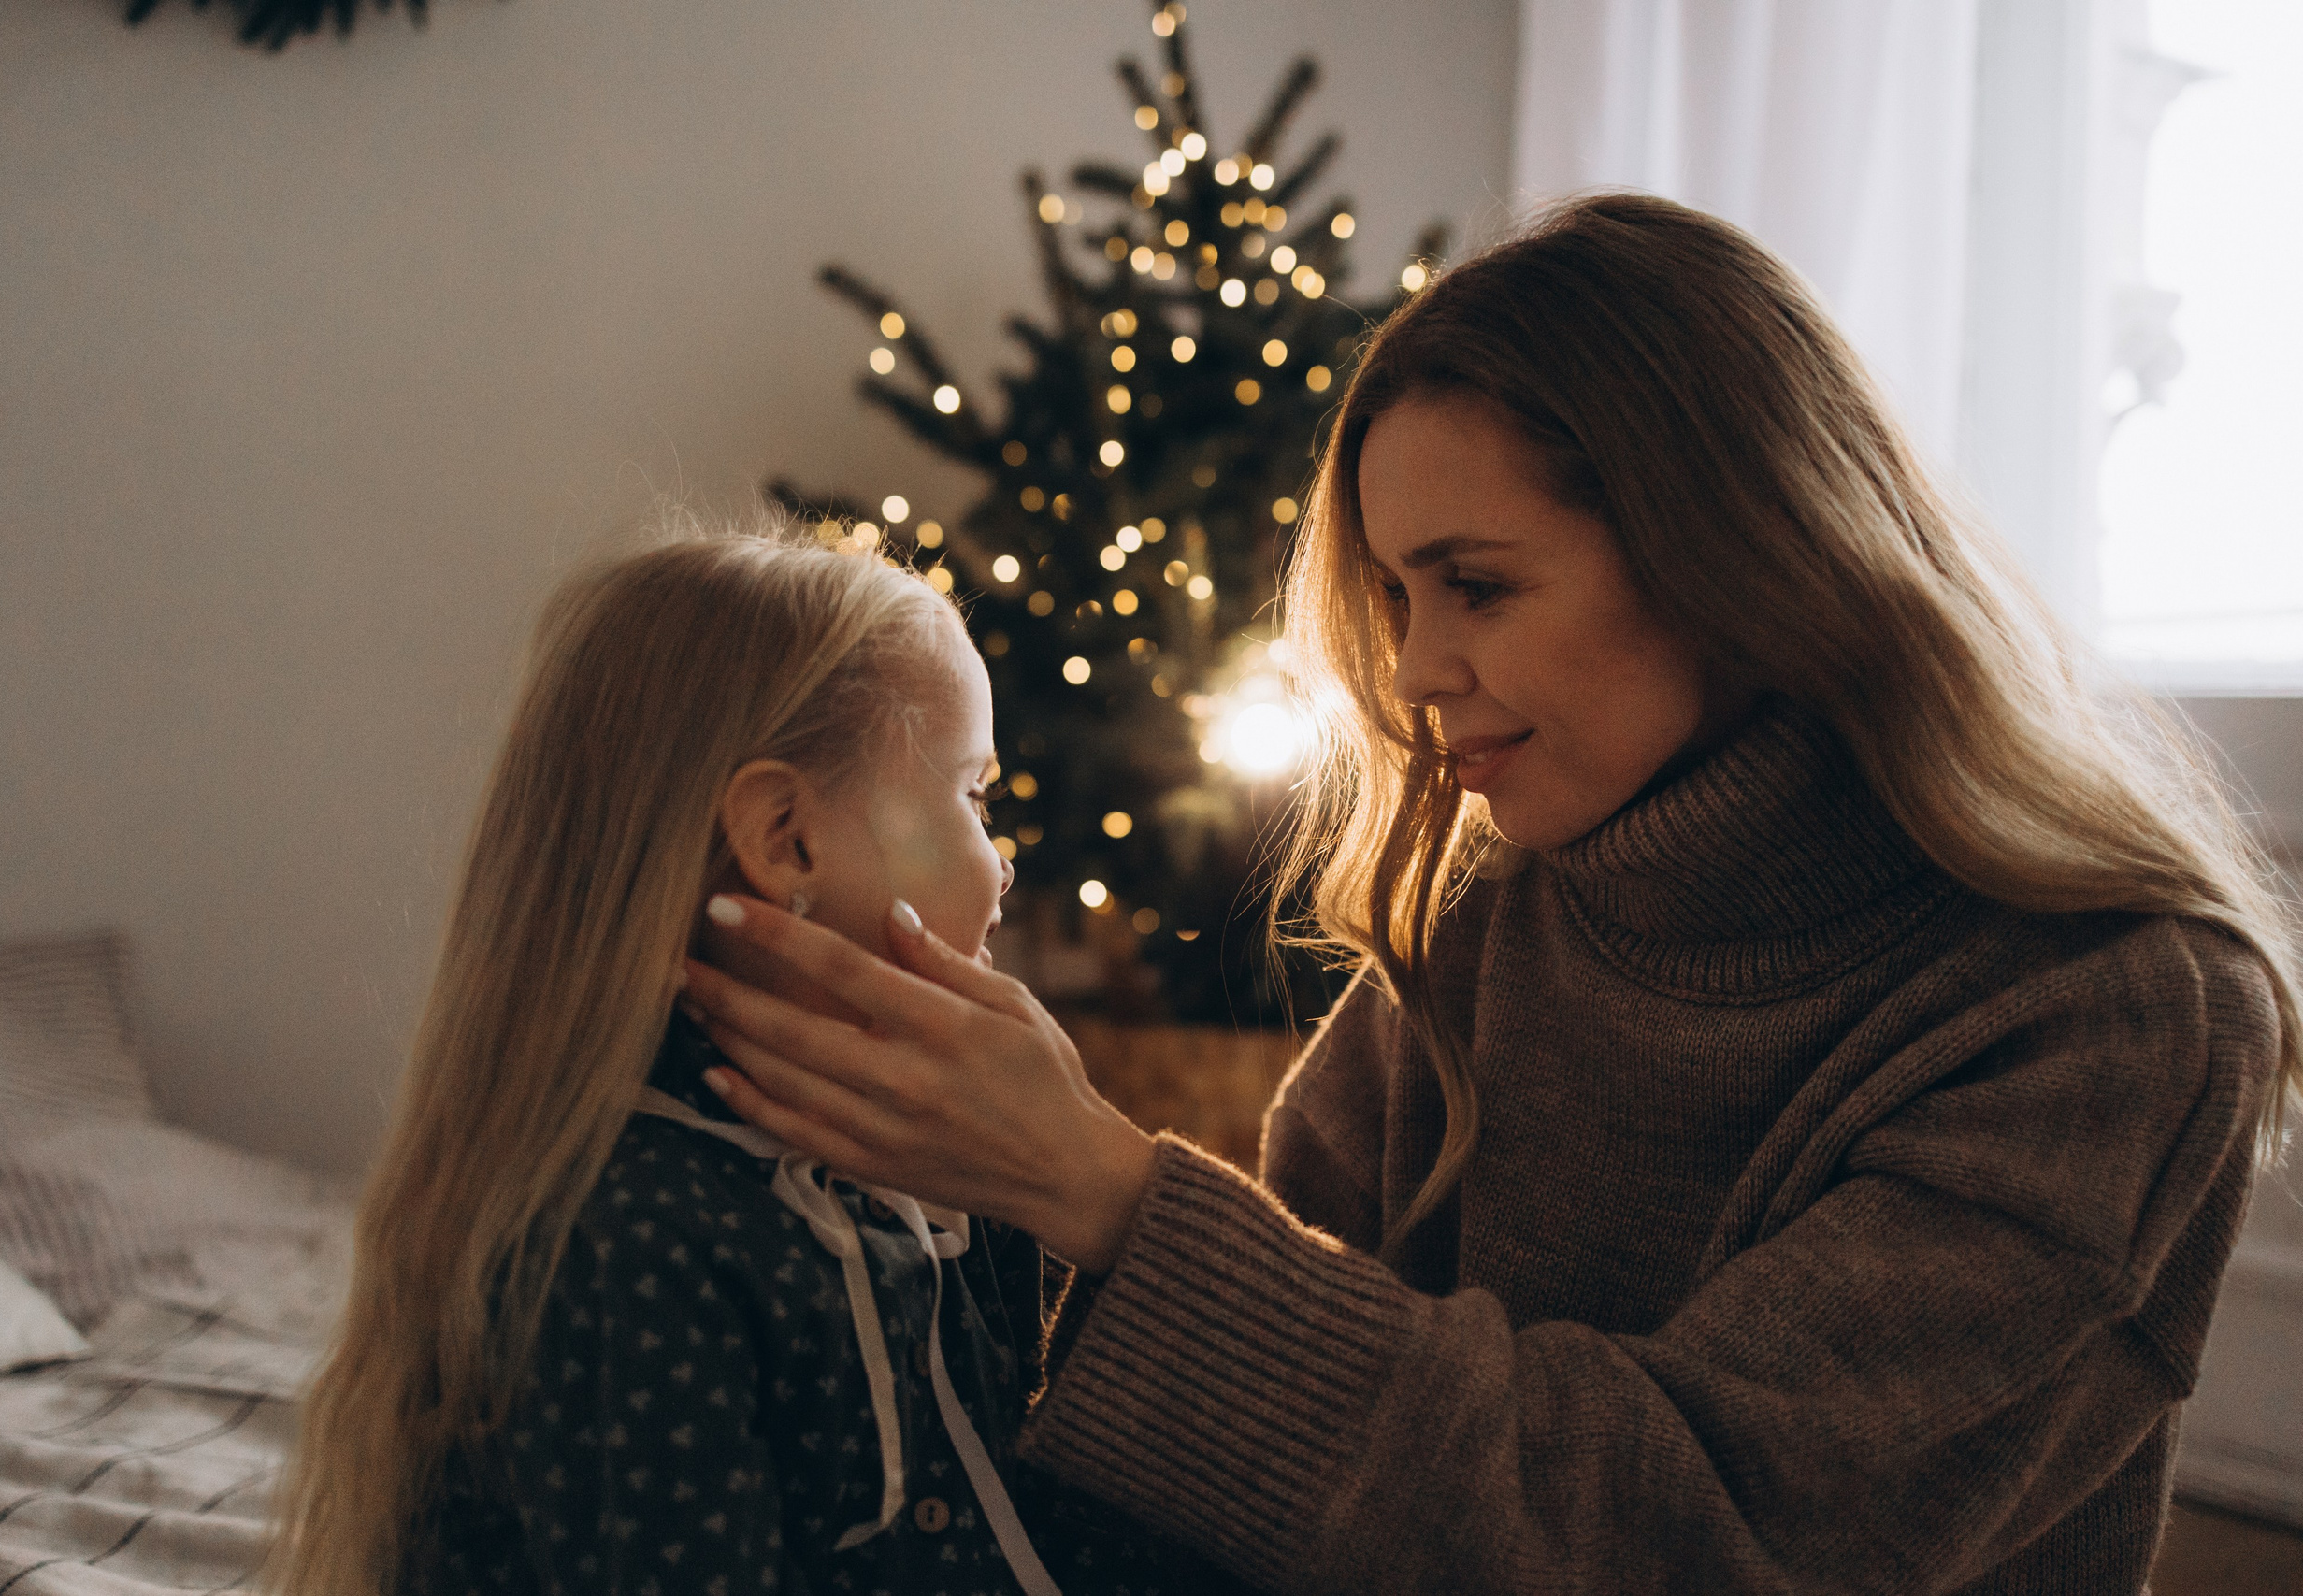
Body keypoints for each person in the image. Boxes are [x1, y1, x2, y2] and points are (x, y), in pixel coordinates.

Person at [677, 194, 2301, 1594]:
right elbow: (1279, 1429)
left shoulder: (2115, 1006)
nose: (1416, 668)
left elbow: (1708, 1532)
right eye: (1390, 594)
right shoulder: (1492, 908)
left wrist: (1109, 1189)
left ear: (1736, 546)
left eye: (1478, 584)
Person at [267, 523, 1201, 1596]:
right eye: (972, 795)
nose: (999, 865)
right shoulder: (633, 1242)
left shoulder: (950, 1164)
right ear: (786, 838)